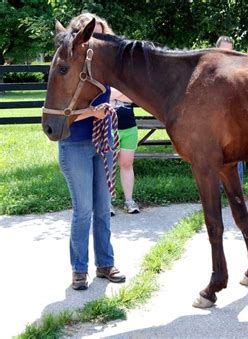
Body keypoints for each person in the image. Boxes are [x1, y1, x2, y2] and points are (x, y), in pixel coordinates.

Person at [59, 12, 125, 290]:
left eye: (100, 33)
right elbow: (58, 113)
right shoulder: (69, 65)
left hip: (103, 143)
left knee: (103, 208)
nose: (95, 39)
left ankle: (105, 264)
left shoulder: (103, 69)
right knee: (83, 210)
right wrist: (92, 113)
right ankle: (78, 269)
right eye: (91, 34)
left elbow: (121, 95)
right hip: (74, 144)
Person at [215, 36, 245, 184]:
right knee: (215, 151)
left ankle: (236, 184)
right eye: (223, 51)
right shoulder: (210, 71)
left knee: (235, 152)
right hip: (215, 119)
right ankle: (219, 185)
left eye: (229, 51)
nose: (226, 55)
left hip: (233, 119)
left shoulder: (237, 70)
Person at [110, 89, 140, 214]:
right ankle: (106, 202)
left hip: (129, 128)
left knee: (127, 165)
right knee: (108, 166)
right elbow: (104, 95)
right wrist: (123, 94)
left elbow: (134, 97)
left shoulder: (125, 79)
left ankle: (129, 201)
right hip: (109, 128)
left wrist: (113, 96)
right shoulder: (105, 77)